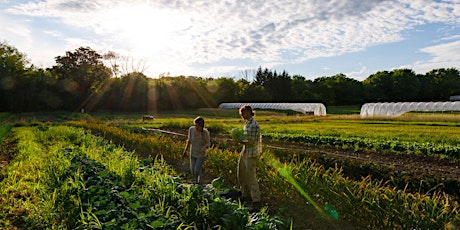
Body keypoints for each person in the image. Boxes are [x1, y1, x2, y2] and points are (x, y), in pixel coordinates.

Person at [237, 105, 262, 208]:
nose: (242, 115)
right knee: (241, 174)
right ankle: (244, 195)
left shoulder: (254, 125)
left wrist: (240, 141)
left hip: (251, 153)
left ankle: (256, 200)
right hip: (245, 151)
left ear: (248, 112)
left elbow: (252, 142)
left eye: (243, 113)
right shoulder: (247, 124)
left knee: (251, 177)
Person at [182, 116, 211, 184]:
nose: (196, 127)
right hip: (193, 153)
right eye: (195, 125)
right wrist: (185, 150)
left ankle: (199, 183)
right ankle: (196, 183)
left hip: (201, 154)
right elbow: (189, 141)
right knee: (193, 171)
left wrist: (204, 147)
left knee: (196, 170)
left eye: (198, 126)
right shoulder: (191, 129)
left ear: (201, 126)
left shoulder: (205, 132)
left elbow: (208, 143)